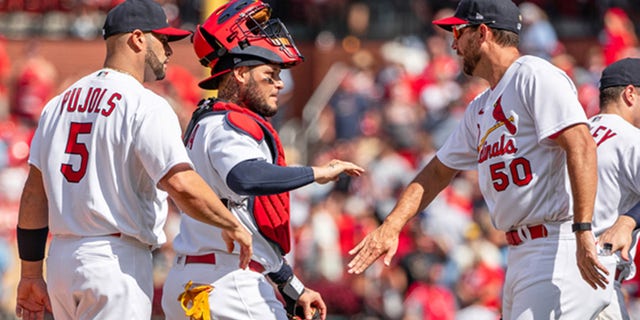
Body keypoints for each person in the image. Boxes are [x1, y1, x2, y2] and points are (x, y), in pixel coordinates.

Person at [347, 0, 617, 319]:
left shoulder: (533, 75)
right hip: (520, 252)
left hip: (557, 244)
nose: (453, 43)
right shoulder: (481, 106)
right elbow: (436, 172)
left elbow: (581, 145)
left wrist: (583, 229)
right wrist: (391, 226)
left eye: (459, 32)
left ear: (483, 33)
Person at [15, 0, 253, 319]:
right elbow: (180, 182)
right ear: (138, 39)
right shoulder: (144, 104)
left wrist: (30, 273)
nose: (169, 51)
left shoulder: (58, 104)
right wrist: (230, 222)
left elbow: (33, 194)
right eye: (164, 40)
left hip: (61, 260)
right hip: (115, 260)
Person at [160, 1, 364, 319]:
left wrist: (294, 288)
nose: (279, 83)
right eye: (270, 74)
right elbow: (245, 176)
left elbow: (247, 224)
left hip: (195, 282)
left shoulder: (207, 120)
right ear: (240, 73)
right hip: (228, 284)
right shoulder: (231, 123)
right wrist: (316, 172)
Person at [589, 57, 640, 320]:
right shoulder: (632, 138)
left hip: (550, 271)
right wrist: (630, 220)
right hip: (598, 279)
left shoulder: (576, 134)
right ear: (630, 94)